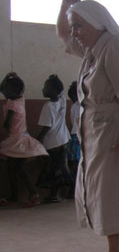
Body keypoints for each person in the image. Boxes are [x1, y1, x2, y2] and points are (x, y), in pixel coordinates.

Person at [58, 0, 119, 252]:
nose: (74, 32)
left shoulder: (114, 48)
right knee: (95, 190)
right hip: (96, 132)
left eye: (79, 26)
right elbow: (61, 33)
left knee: (108, 191)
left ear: (96, 23)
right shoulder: (92, 50)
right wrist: (66, 3)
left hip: (114, 132)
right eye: (74, 26)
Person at [0, 73, 48, 207]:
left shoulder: (11, 105)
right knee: (15, 168)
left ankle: (31, 194)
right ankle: (18, 195)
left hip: (15, 140)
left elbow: (6, 124)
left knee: (17, 168)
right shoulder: (21, 99)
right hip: (23, 137)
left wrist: (6, 79)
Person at [37, 74, 73, 203]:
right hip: (63, 140)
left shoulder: (48, 106)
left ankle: (55, 194)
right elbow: (62, 92)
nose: (43, 90)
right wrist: (56, 78)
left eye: (46, 87)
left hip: (52, 143)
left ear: (54, 91)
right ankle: (70, 189)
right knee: (62, 166)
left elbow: (46, 127)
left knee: (53, 169)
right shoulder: (62, 101)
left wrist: (37, 140)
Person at [67, 81, 80, 191]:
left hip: (77, 136)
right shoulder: (76, 105)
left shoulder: (78, 105)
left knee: (75, 163)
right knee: (75, 163)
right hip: (76, 135)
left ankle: (74, 187)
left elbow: (74, 122)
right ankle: (74, 187)